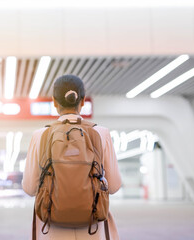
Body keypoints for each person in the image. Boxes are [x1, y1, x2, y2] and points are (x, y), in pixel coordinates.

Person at [22, 74, 122, 240]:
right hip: (93, 228)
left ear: (54, 102)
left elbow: (29, 188)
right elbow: (114, 186)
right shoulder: (101, 133)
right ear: (82, 101)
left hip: (52, 228)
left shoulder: (40, 135)